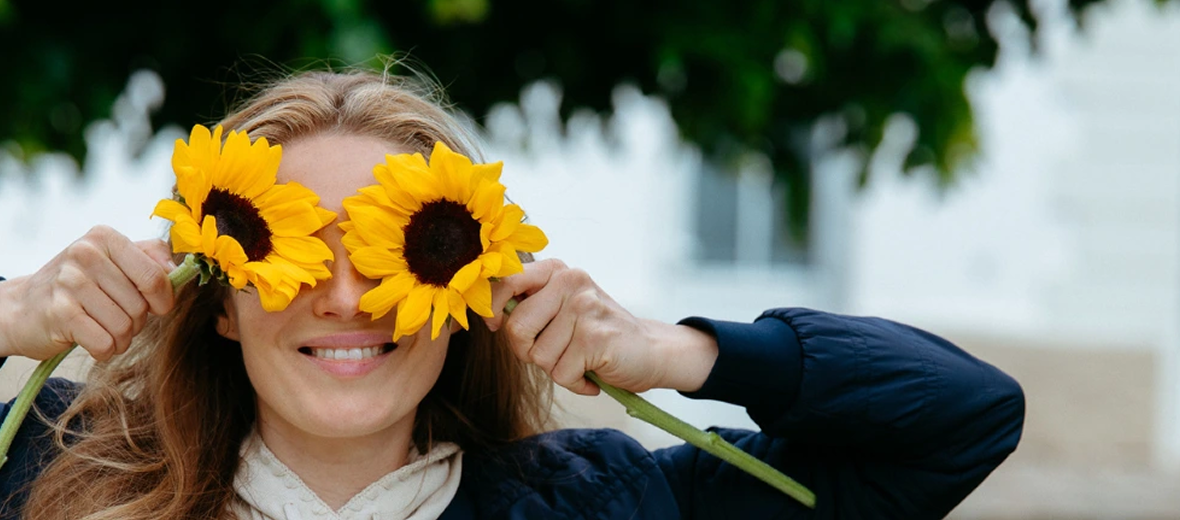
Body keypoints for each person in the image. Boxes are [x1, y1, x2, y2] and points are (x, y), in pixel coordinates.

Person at [0, 67, 1025, 520]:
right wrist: (10, 318)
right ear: (219, 297)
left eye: (395, 251)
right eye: (298, 250)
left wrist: (676, 352)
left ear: (471, 289)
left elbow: (962, 420)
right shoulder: (53, 472)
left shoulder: (613, 504)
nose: (348, 297)